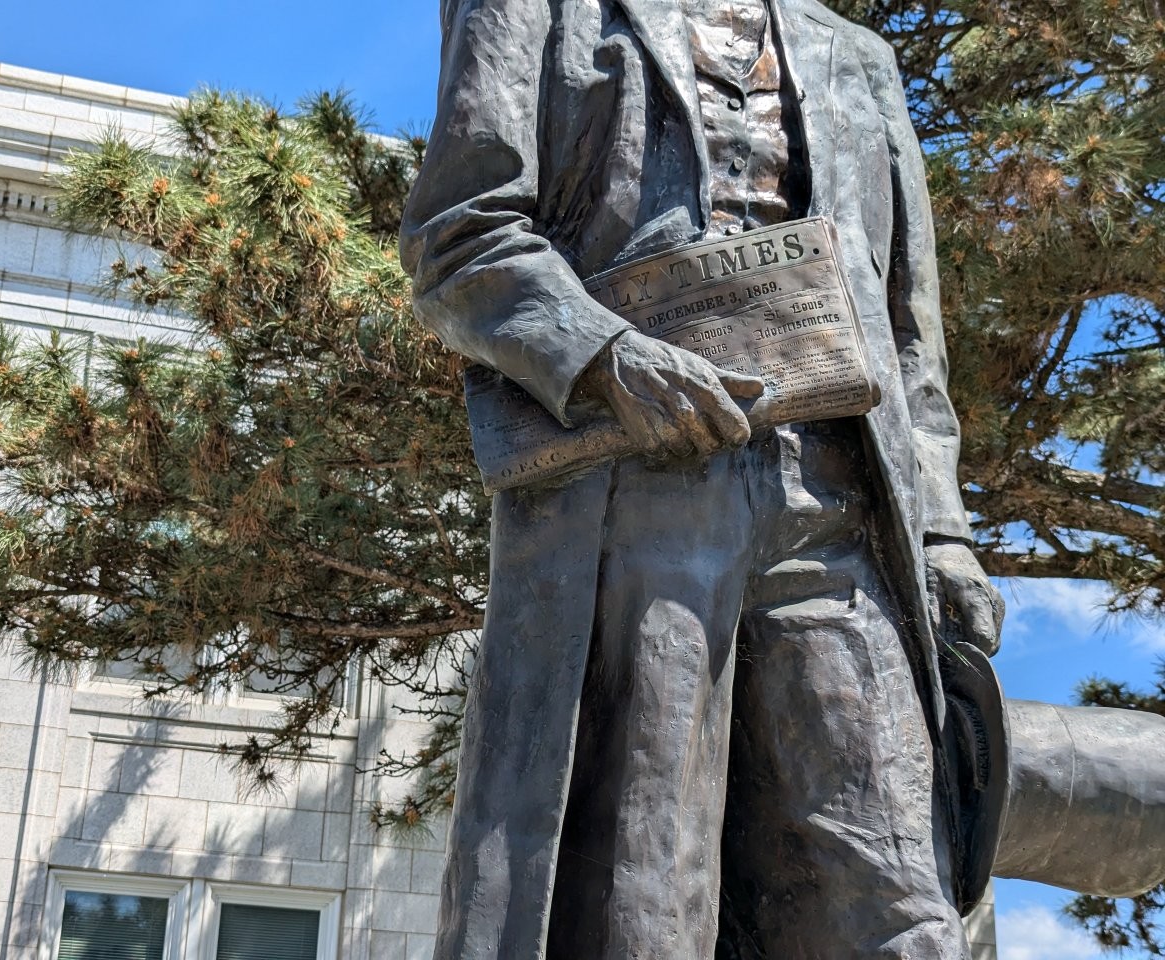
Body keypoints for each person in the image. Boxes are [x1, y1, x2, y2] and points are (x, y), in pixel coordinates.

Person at [400, 0, 1007, 956]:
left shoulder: (857, 58)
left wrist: (940, 531)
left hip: (839, 511)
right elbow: (460, 233)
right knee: (642, 896)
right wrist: (604, 356)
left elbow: (906, 333)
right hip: (633, 497)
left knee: (903, 906)